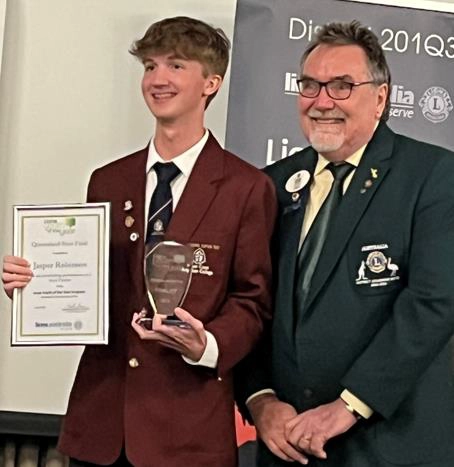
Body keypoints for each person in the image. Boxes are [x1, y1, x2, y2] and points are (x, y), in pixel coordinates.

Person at [2, 16, 277, 467]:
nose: (157, 79)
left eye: (175, 65)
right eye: (150, 66)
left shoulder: (246, 188)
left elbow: (253, 300)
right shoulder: (108, 181)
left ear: (211, 83)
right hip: (101, 426)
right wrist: (37, 287)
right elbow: (93, 288)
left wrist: (207, 345)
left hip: (186, 435)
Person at [235, 20, 454, 467]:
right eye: (309, 85)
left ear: (381, 97)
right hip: (287, 448)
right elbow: (250, 302)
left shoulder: (433, 176)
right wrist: (261, 400)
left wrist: (348, 406)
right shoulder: (270, 185)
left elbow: (433, 304)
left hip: (390, 448)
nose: (321, 102)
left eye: (341, 86)